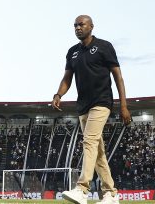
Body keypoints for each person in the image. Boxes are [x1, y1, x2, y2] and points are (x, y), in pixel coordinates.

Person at [52, 15, 131, 204]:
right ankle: (111, 194)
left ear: (91, 27)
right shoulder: (72, 52)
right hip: (83, 107)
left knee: (89, 141)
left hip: (102, 102)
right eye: (75, 25)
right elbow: (67, 79)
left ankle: (82, 189)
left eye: (81, 24)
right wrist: (58, 94)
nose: (78, 28)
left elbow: (118, 77)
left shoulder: (104, 46)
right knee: (98, 152)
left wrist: (124, 106)